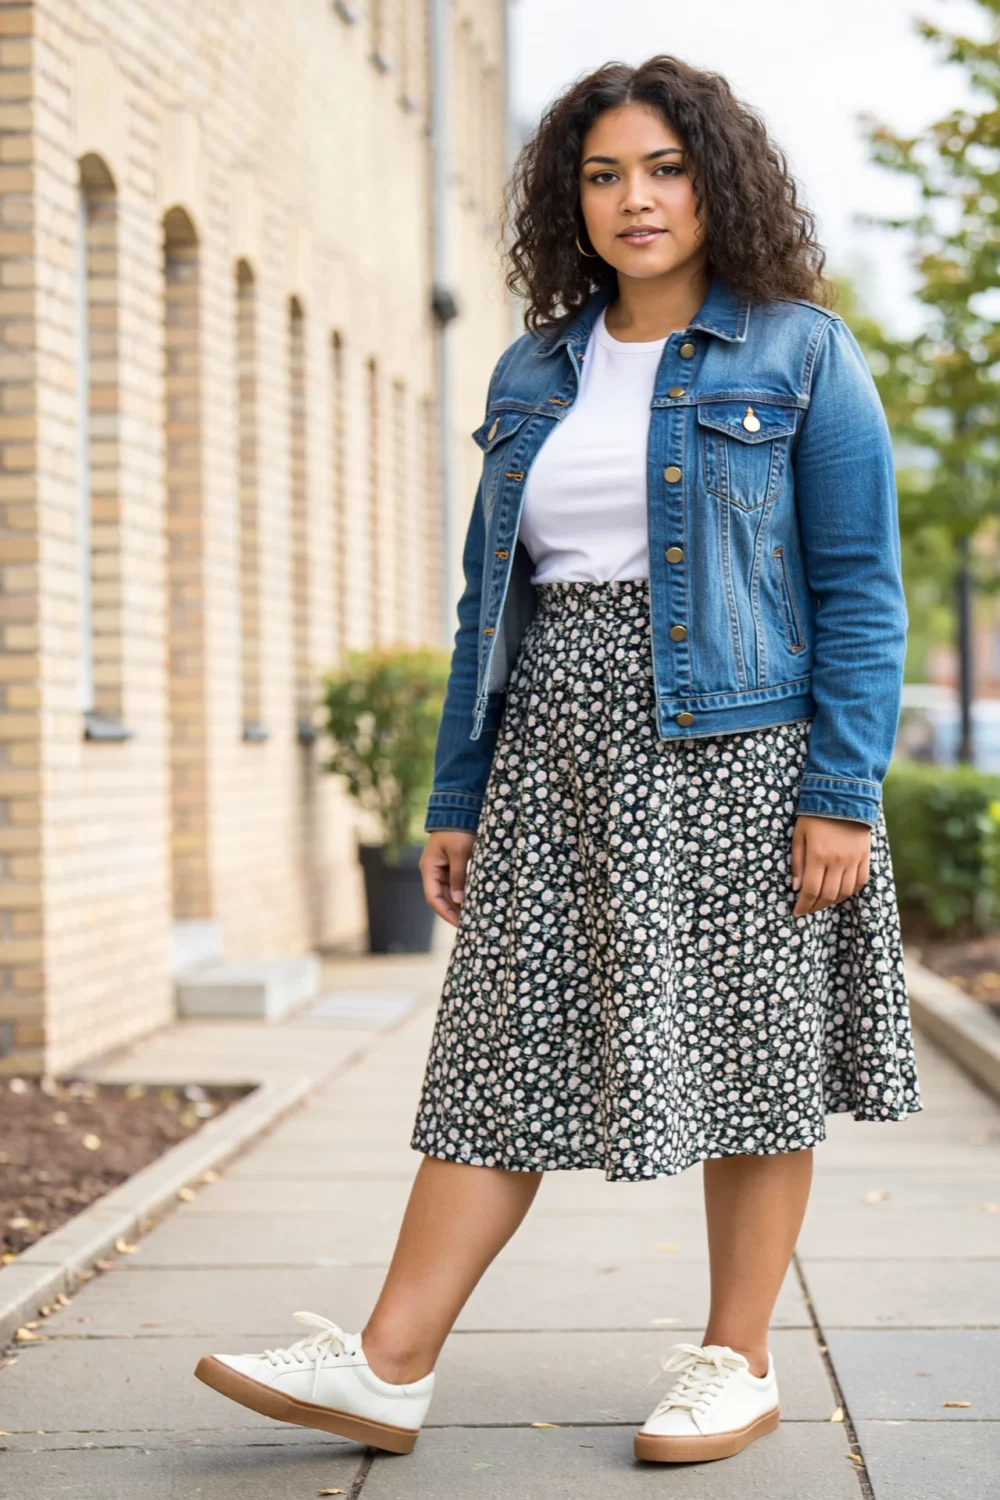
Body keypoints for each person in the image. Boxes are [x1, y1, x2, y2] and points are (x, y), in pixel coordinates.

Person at [194, 54, 922, 1467]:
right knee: (495, 1044)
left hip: (740, 751)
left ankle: (738, 1357)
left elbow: (862, 585)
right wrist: (458, 790)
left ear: (717, 180)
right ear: (568, 201)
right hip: (553, 751)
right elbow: (491, 599)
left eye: (662, 167)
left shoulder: (799, 350)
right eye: (603, 174)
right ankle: (388, 1364)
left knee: (751, 1049)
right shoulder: (537, 366)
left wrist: (840, 792)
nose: (634, 198)